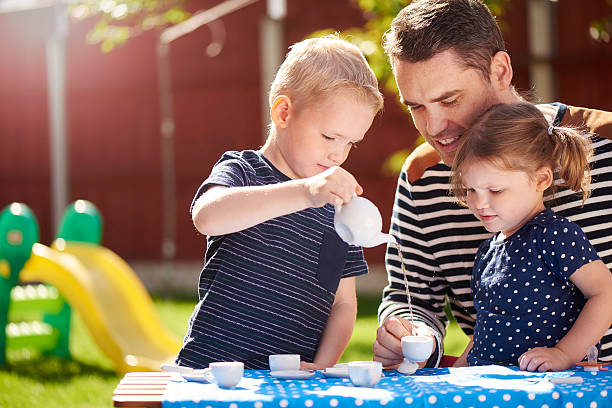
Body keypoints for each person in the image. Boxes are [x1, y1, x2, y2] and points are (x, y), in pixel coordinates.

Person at [373, 0, 612, 368]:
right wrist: (410, 334)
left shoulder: (606, 145)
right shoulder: (422, 176)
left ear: (499, 70)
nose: (434, 128)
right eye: (416, 107)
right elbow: (412, 300)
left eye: (449, 100)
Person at [175, 35, 384, 370]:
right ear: (284, 111)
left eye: (350, 143)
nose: (337, 153)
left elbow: (344, 304)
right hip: (211, 372)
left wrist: (321, 367)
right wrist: (304, 192)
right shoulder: (243, 171)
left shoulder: (339, 209)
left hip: (290, 382)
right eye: (330, 136)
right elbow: (207, 216)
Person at [448, 102, 612, 371]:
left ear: (541, 179)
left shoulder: (554, 235)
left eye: (496, 190)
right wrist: (460, 370)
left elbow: (605, 293)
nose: (479, 203)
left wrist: (563, 354)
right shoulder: (489, 250)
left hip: (546, 386)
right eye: (470, 190)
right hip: (492, 385)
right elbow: (487, 324)